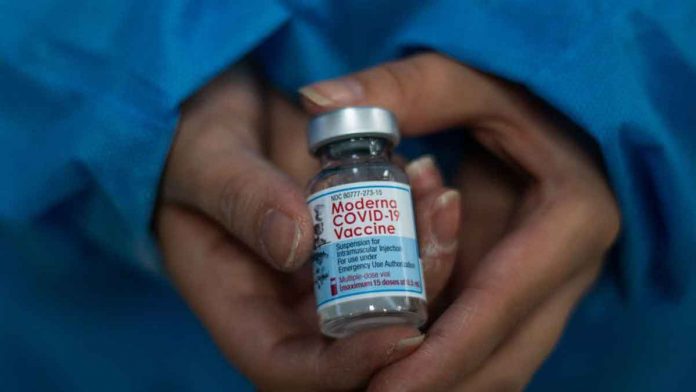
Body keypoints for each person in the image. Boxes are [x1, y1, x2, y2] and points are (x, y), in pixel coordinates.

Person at [1, 1, 694, 391]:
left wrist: (602, 80)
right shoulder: (340, 178)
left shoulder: (355, 174)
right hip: (98, 325)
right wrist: (145, 91)